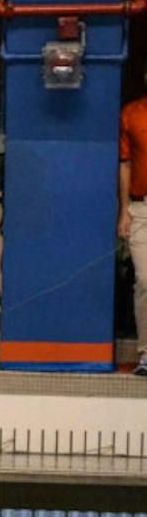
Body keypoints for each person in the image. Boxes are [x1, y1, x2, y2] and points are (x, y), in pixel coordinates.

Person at [118, 79, 147, 375]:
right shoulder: (131, 113)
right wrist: (124, 210)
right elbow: (124, 163)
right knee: (146, 280)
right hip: (142, 208)